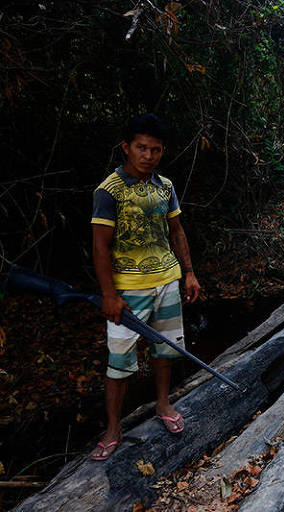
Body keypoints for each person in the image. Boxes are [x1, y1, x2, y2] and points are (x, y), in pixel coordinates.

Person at [89, 113, 201, 460]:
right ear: (126, 148)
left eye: (155, 149)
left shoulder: (164, 186)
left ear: (162, 151)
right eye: (141, 148)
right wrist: (109, 294)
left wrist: (189, 273)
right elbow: (99, 246)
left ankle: (164, 405)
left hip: (167, 280)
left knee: (165, 350)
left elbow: (177, 231)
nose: (148, 155)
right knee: (119, 360)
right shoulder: (109, 191)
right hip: (128, 289)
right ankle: (113, 428)